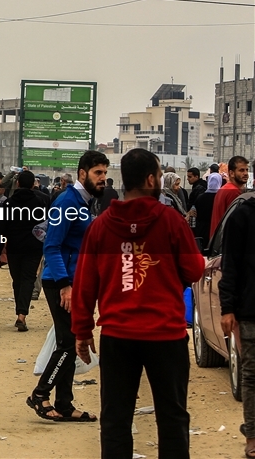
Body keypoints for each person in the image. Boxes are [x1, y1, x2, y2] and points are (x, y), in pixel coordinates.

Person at [73, 148, 204, 458]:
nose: (160, 179)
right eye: (158, 175)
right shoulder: (171, 221)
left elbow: (84, 283)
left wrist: (82, 330)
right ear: (149, 179)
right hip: (166, 336)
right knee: (172, 418)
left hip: (119, 337)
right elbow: (195, 269)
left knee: (116, 420)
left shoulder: (101, 226)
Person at [28, 150, 107, 422]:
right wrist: (65, 285)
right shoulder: (67, 203)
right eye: (98, 173)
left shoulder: (83, 203)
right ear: (82, 173)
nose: (103, 179)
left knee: (70, 342)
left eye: (105, 174)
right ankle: (40, 395)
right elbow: (51, 246)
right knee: (68, 342)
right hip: (60, 282)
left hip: (75, 281)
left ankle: (64, 403)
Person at [217, 191, 255, 458]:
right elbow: (229, 266)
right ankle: (252, 436)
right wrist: (228, 309)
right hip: (251, 311)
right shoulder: (242, 216)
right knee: (252, 375)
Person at [0, 170, 46, 332]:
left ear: (17, 184)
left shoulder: (9, 204)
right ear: (33, 185)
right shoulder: (40, 203)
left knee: (17, 280)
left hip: (14, 248)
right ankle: (22, 315)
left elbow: (1, 230)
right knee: (28, 279)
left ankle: (20, 312)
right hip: (34, 247)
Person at [210, 156, 250, 240]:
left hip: (217, 241)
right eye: (241, 170)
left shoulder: (224, 188)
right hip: (226, 241)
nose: (246, 173)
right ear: (231, 173)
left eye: (247, 170)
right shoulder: (233, 192)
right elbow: (237, 223)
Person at [193, 173, 221, 252]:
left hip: (202, 228)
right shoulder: (220, 197)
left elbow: (195, 212)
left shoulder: (200, 197)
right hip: (216, 227)